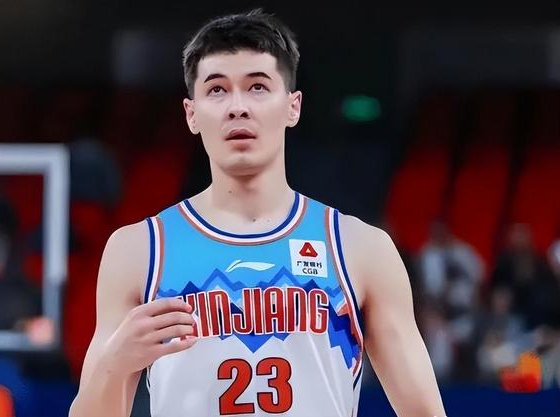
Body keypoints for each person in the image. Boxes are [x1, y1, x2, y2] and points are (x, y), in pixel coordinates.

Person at [70, 9, 445, 417]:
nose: (238, 107)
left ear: (293, 107)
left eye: (258, 87)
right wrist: (113, 365)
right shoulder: (138, 250)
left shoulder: (360, 248)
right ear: (191, 114)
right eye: (217, 90)